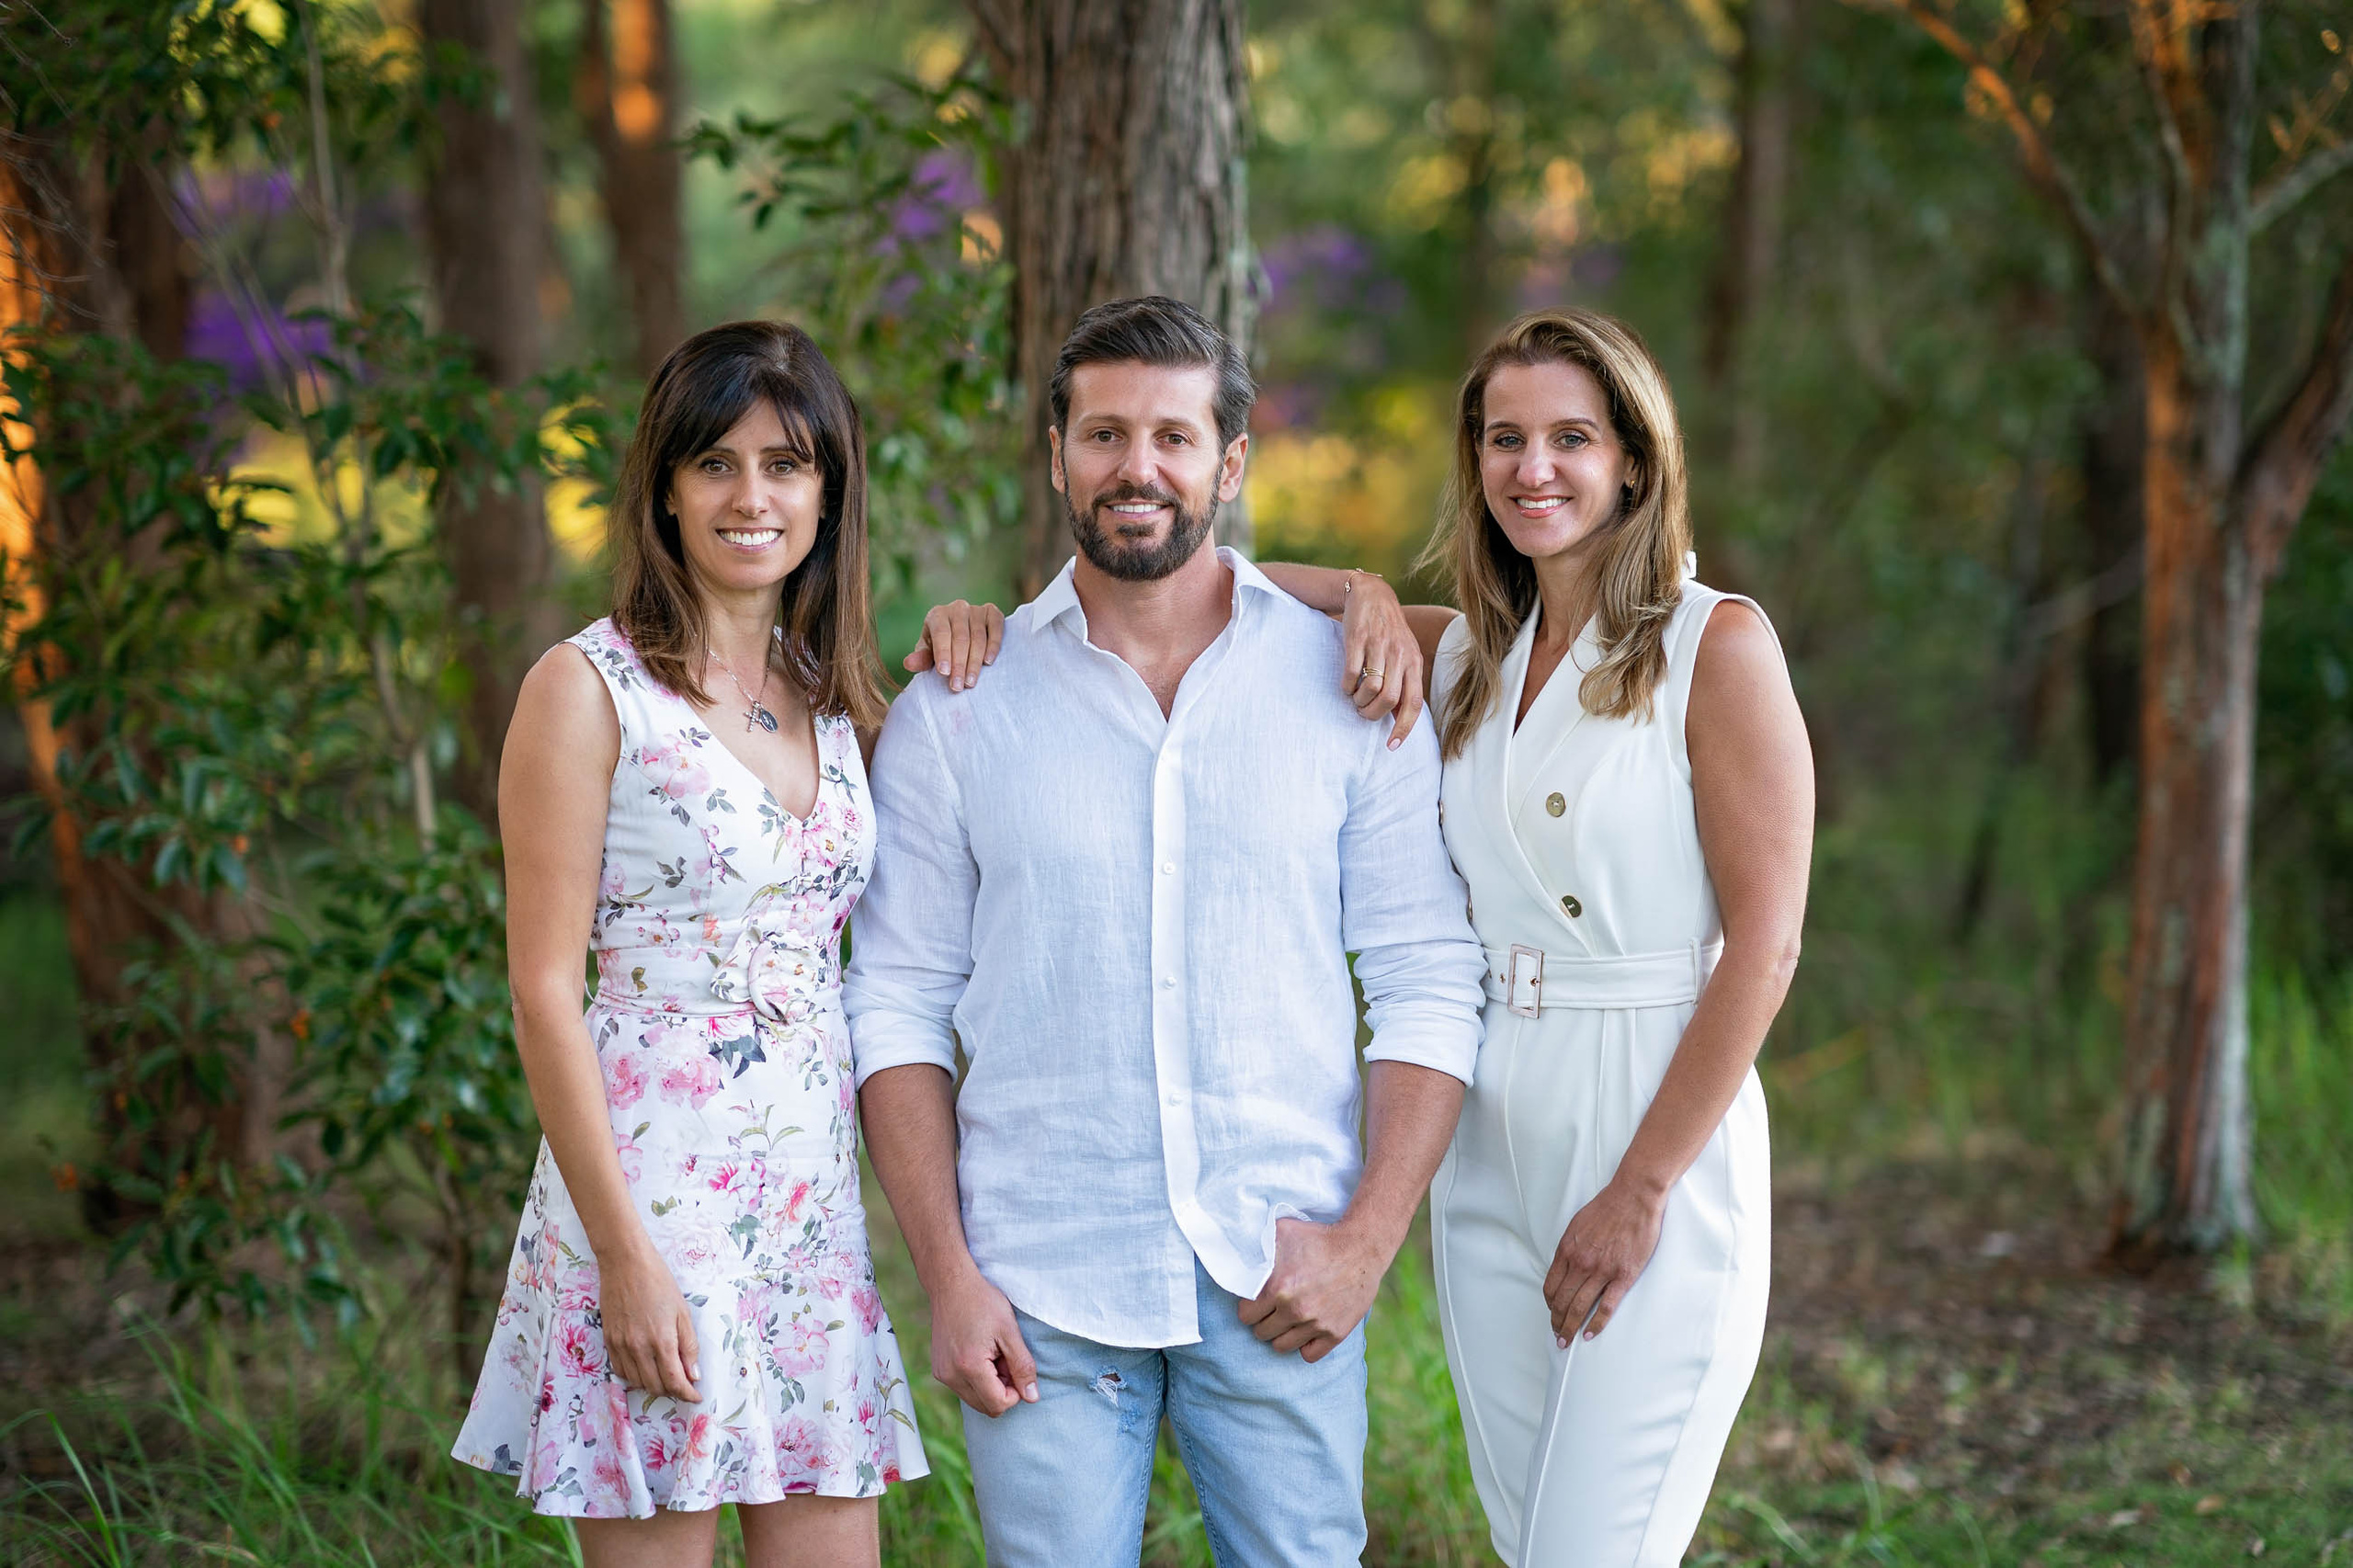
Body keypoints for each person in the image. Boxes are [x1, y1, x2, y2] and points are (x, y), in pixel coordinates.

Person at [841, 295, 1487, 1568]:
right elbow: (897, 1003)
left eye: (1175, 438)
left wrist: (1365, 1242)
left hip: (1282, 1269)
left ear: (1230, 463)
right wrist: (948, 1273)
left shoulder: (1350, 690)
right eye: (1104, 434)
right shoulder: (959, 712)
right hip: (1040, 1279)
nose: (1138, 466)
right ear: (1058, 453)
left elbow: (1426, 976)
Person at [1257, 307, 1813, 1567]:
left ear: (1633, 458)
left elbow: (1768, 946)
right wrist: (1353, 588)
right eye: (1506, 438)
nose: (1534, 467)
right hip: (1489, 1124)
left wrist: (1643, 1186)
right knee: (1530, 1539)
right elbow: (1226, 589)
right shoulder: (1465, 657)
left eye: (1571, 435)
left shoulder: (1714, 644)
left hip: (1651, 1107)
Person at [451, 320, 995, 1567]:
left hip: (808, 1216)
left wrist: (979, 625)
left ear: (829, 491)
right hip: (651, 1205)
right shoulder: (586, 689)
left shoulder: (836, 690)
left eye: (788, 464)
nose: (753, 495)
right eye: (718, 463)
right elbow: (543, 990)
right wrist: (624, 1257)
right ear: (666, 487)